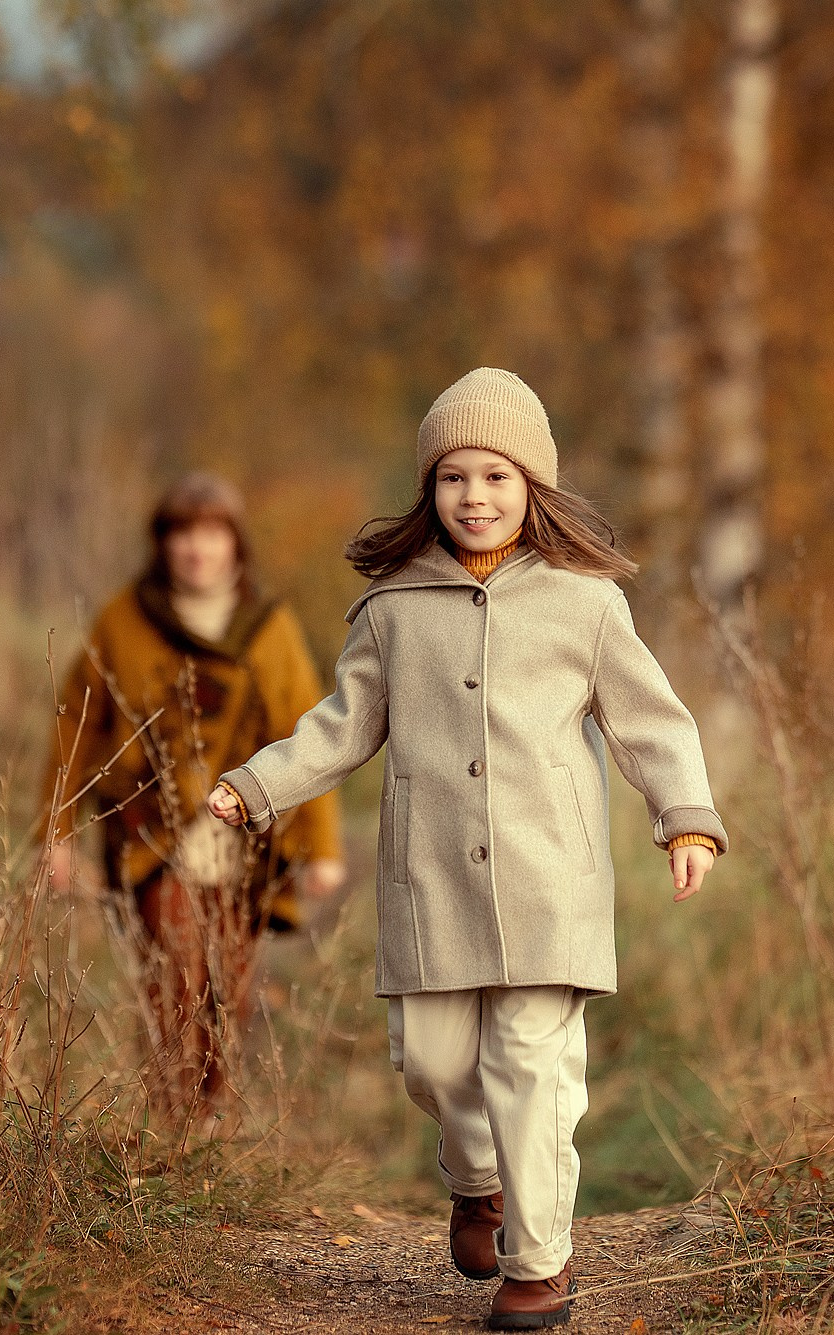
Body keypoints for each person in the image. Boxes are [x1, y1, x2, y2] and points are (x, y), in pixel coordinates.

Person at [207, 368, 726, 1330]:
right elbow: (341, 726)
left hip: (549, 878)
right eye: (453, 477)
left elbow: (652, 721)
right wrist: (258, 783)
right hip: (431, 879)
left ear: (533, 486)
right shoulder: (394, 606)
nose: (474, 496)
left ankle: (540, 1265)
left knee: (533, 1066)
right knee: (435, 1064)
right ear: (429, 489)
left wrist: (685, 818)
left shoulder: (585, 602)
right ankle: (476, 1178)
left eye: (495, 476)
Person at [42, 472, 346, 1119]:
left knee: (229, 991)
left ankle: (209, 1126)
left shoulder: (270, 627)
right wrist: (56, 832)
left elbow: (308, 731)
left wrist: (321, 846)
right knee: (174, 979)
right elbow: (78, 722)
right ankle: (172, 1121)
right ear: (163, 542)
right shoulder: (124, 619)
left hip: (248, 841)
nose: (196, 549)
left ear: (235, 543)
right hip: (152, 835)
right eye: (182, 533)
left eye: (211, 533)